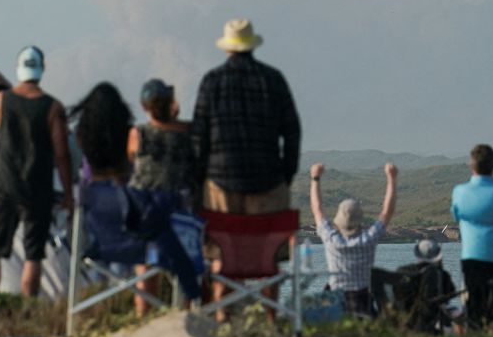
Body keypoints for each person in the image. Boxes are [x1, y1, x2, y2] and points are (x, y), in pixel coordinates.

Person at [191, 19, 301, 315]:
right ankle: (270, 318)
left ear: (228, 47)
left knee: (222, 256)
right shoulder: (273, 79)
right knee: (268, 259)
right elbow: (292, 132)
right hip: (269, 182)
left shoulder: (211, 81)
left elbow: (199, 138)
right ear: (252, 45)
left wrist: (199, 182)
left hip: (220, 184)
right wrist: (285, 176)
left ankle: (222, 316)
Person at [0, 46, 74, 297]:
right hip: (38, 186)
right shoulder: (53, 107)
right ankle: (28, 307)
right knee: (33, 255)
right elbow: (62, 153)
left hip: (4, 183)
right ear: (41, 69)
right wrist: (68, 193)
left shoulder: (0, 100)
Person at [126, 78, 197, 317]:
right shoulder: (187, 133)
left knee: (145, 264)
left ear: (145, 107)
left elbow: (130, 159)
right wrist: (175, 118)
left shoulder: (139, 134)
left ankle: (142, 313)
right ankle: (186, 311)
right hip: (179, 214)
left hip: (145, 210)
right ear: (171, 104)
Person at [309, 161, 398, 317]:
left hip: (336, 302)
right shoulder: (368, 240)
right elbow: (387, 212)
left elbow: (317, 210)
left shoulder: (331, 239)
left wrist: (315, 178)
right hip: (362, 301)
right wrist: (391, 179)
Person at [450, 143, 493, 329]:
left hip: (473, 256)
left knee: (475, 303)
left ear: (472, 165)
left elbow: (456, 215)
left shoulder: (459, 192)